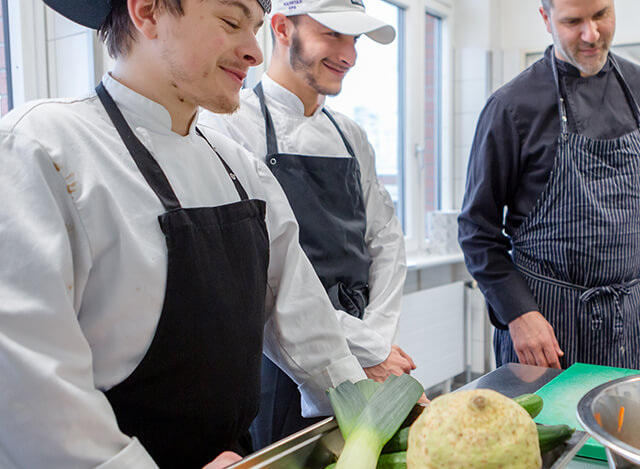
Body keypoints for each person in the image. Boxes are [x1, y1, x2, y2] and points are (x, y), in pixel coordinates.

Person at [0, 0, 371, 467]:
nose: (254, 52)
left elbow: (306, 320)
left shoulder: (240, 169)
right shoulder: (40, 148)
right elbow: (28, 385)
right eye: (231, 22)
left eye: (255, 29)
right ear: (149, 13)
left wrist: (370, 417)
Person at [199, 0, 415, 448]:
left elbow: (387, 242)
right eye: (333, 35)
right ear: (280, 28)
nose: (349, 55)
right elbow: (265, 276)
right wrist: (365, 349)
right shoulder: (229, 125)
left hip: (367, 346)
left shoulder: (351, 135)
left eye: (354, 40)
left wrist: (374, 339)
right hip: (281, 358)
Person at [458, 0, 640, 371]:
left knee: (629, 428)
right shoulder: (511, 107)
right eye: (573, 22)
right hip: (546, 327)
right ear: (546, 19)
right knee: (549, 430)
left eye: (601, 14)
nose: (592, 34)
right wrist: (519, 314)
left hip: (631, 323)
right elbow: (477, 231)